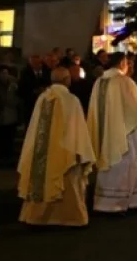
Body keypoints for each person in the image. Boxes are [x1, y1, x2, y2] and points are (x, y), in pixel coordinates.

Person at [18, 67, 96, 227]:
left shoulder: (43, 98)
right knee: (68, 183)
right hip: (65, 150)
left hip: (42, 152)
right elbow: (77, 128)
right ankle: (70, 218)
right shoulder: (71, 100)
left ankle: (37, 218)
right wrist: (82, 151)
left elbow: (34, 127)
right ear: (67, 80)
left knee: (43, 180)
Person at [86, 53, 137, 213]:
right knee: (125, 165)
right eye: (127, 62)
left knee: (108, 165)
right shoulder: (123, 81)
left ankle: (104, 202)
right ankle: (119, 203)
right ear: (122, 62)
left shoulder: (99, 81)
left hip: (105, 132)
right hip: (122, 133)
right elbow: (134, 106)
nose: (129, 66)